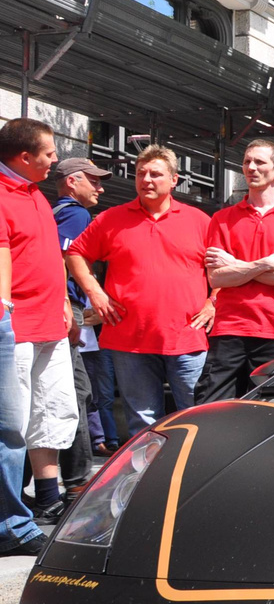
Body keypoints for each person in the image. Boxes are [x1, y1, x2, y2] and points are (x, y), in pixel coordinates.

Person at [68, 145, 213, 428]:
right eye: (140, 173)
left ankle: (191, 472)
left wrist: (214, 302)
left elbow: (224, 268)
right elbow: (75, 253)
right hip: (129, 338)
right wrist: (95, 293)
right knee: (142, 422)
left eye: (155, 174)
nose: (146, 180)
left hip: (187, 337)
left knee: (196, 418)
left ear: (174, 179)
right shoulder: (111, 219)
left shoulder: (199, 221)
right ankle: (146, 474)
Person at [0, 119, 77, 523]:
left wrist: (64, 299)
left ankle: (48, 497)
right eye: (49, 153)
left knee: (52, 410)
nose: (55, 159)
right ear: (25, 157)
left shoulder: (36, 194)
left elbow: (51, 256)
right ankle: (9, 512)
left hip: (50, 322)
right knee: (12, 423)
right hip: (17, 329)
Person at [193, 139, 274, 403]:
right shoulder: (222, 219)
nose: (251, 167)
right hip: (229, 326)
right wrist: (266, 263)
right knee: (211, 403)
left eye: (259, 162)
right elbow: (216, 277)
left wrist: (236, 266)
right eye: (247, 162)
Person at [51, 157, 113, 487]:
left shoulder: (54, 212)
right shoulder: (76, 214)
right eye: (94, 181)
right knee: (76, 392)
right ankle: (76, 481)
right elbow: (60, 260)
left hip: (57, 307)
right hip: (62, 308)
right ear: (73, 182)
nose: (101, 188)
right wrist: (67, 305)